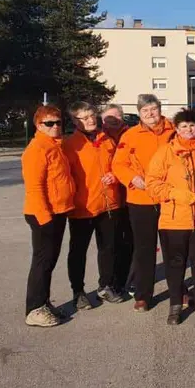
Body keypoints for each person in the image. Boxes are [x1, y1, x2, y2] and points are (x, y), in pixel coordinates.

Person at [146, 109, 195, 325]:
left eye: (192, 125)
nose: (188, 129)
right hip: (174, 219)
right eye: (184, 126)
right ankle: (176, 303)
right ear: (176, 129)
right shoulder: (165, 152)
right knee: (175, 264)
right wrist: (177, 195)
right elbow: (153, 183)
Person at [112, 94, 176, 312]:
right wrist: (132, 178)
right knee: (144, 249)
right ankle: (143, 294)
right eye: (145, 110)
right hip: (141, 199)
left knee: (173, 248)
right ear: (139, 113)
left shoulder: (173, 130)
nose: (150, 114)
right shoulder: (130, 135)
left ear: (160, 109)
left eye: (153, 109)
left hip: (169, 198)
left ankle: (178, 291)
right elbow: (118, 164)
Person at [62, 102, 124, 310]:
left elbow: (119, 164)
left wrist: (114, 175)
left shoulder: (107, 140)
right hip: (83, 207)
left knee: (109, 248)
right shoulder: (70, 145)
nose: (90, 120)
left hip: (109, 204)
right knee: (78, 251)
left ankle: (105, 285)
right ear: (74, 121)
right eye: (83, 117)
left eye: (91, 115)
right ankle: (78, 291)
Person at [21, 105, 75, 327]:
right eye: (49, 123)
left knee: (49, 262)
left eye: (58, 122)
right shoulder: (37, 150)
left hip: (58, 212)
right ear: (38, 126)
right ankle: (34, 309)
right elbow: (34, 188)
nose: (55, 127)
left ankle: (42, 302)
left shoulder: (55, 146)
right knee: (42, 262)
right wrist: (46, 218)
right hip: (44, 214)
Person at [101, 104, 133, 296]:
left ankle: (127, 279)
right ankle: (109, 281)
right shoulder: (99, 138)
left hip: (130, 196)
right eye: (107, 119)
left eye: (114, 118)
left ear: (122, 119)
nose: (110, 122)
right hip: (109, 200)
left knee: (130, 241)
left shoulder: (129, 136)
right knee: (110, 243)